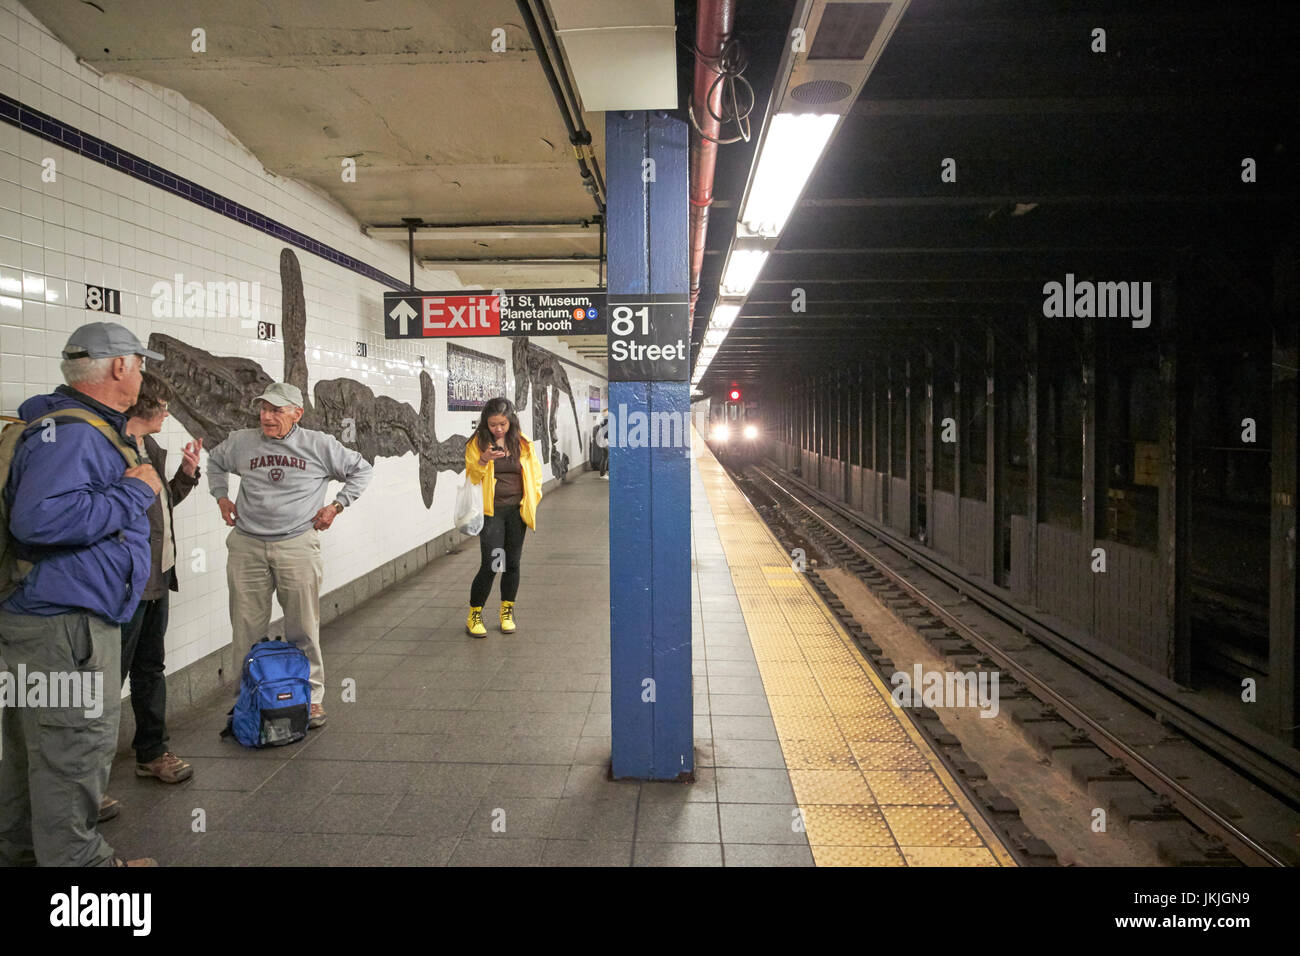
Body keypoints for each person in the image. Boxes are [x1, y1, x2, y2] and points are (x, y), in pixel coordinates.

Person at [0, 321, 163, 867]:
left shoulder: (64, 424)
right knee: (74, 749)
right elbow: (40, 520)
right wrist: (134, 490)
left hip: (43, 616)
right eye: (140, 364)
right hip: (63, 622)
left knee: (33, 752)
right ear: (120, 366)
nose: (141, 374)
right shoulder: (73, 433)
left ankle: (26, 853)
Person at [207, 383, 372, 728]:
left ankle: (311, 699)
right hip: (247, 545)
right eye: (263, 409)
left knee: (303, 627)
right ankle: (247, 698)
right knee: (245, 628)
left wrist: (336, 506)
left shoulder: (319, 445)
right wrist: (221, 496)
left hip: (296, 544)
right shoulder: (241, 441)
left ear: (297, 413)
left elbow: (362, 469)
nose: (267, 416)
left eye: (276, 410)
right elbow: (215, 461)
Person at [107, 372, 201, 803]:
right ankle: (87, 781)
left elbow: (158, 507)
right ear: (144, 405)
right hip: (124, 585)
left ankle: (152, 751)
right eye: (163, 405)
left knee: (150, 669)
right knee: (107, 681)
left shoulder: (151, 448)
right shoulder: (110, 450)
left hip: (157, 578)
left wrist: (185, 475)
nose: (167, 413)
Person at [464, 397, 543, 637]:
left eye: (502, 424)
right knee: (491, 563)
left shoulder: (523, 444)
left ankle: (506, 612)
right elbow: (472, 476)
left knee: (513, 563)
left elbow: (535, 474)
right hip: (491, 512)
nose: (498, 429)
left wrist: (531, 500)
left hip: (516, 511)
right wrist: (484, 459)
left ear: (511, 422)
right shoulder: (478, 443)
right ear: (485, 423)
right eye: (493, 424)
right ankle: (474, 615)